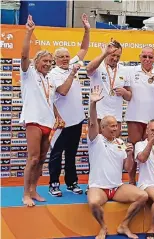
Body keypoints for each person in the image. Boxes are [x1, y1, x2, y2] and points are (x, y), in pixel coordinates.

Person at [87, 85, 148, 239]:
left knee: (143, 196)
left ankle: (124, 225)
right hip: (98, 187)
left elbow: (127, 168)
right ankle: (103, 227)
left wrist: (129, 154)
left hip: (117, 187)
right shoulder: (96, 140)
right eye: (112, 126)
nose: (115, 128)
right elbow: (93, 122)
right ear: (103, 128)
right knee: (94, 202)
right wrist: (93, 104)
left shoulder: (121, 142)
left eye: (116, 126)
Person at [48, 13, 90, 197]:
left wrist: (87, 29)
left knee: (72, 154)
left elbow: (83, 48)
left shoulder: (73, 63)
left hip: (77, 120)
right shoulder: (53, 74)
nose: (66, 59)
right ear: (55, 59)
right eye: (62, 57)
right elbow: (63, 91)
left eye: (67, 56)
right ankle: (53, 184)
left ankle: (72, 183)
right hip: (61, 123)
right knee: (57, 154)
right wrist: (72, 74)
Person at [20, 15, 56, 207]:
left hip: (47, 122)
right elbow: (24, 55)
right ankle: (25, 193)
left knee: (41, 159)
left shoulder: (49, 79)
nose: (48, 64)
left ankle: (34, 190)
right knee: (33, 158)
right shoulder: (29, 74)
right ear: (37, 61)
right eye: (45, 61)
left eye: (51, 62)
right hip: (33, 120)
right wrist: (29, 32)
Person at [125, 46, 154, 185]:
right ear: (140, 57)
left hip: (152, 121)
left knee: (151, 150)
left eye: (150, 57)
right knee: (132, 150)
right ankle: (131, 181)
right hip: (134, 117)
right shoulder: (131, 71)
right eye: (144, 56)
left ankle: (148, 181)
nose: (147, 59)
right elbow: (127, 93)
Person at [86, 40, 132, 132]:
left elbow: (129, 96)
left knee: (113, 145)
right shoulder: (98, 65)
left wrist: (124, 92)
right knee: (96, 143)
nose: (115, 58)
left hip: (116, 117)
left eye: (118, 56)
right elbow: (88, 69)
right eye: (112, 55)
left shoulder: (124, 70)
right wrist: (104, 54)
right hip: (98, 115)